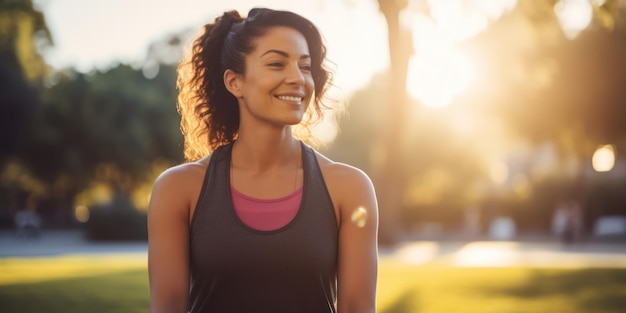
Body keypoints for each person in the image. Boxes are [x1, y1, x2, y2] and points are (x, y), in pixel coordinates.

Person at [147, 7, 378, 313]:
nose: (298, 78)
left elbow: (357, 307)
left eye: (305, 67)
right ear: (234, 82)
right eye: (276, 63)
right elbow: (168, 307)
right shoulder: (178, 189)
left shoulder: (349, 188)